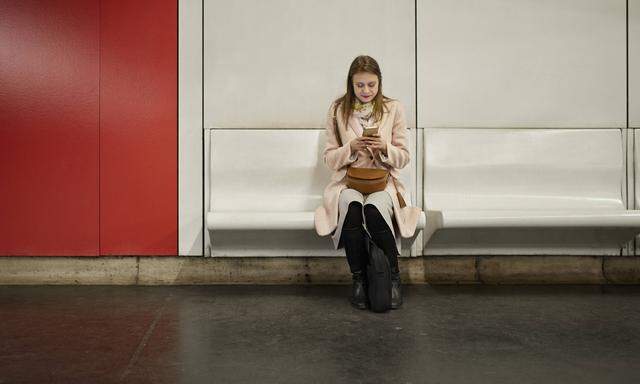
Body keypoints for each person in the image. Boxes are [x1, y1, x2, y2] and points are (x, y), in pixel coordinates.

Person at [314, 55, 423, 310]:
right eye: (360, 85)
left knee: (373, 209)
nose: (366, 91)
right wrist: (350, 148)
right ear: (351, 84)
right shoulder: (338, 109)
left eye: (371, 85)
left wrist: (384, 148)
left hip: (383, 182)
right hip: (347, 181)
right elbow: (330, 159)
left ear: (379, 83)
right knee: (352, 207)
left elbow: (404, 157)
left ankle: (394, 277)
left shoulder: (393, 108)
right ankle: (359, 279)